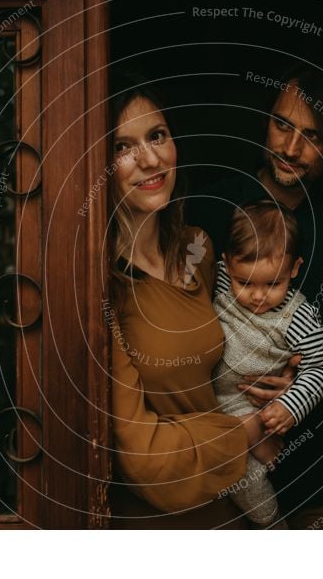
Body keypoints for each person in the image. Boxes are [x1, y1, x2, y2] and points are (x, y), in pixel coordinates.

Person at [187, 63, 323, 528]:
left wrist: (299, 387)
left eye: (313, 136)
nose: (290, 147)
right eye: (281, 124)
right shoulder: (213, 207)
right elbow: (178, 327)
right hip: (222, 464)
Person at [105, 76, 283, 529]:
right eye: (123, 146)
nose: (150, 158)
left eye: (157, 136)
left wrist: (280, 380)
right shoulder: (103, 288)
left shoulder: (196, 249)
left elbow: (227, 352)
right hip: (156, 524)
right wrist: (250, 429)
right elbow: (143, 459)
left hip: (231, 505)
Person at [211, 200, 323, 527]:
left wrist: (290, 407)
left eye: (273, 284)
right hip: (205, 402)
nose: (258, 296)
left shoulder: (298, 317)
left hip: (245, 408)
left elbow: (321, 367)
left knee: (245, 478)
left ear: (294, 269)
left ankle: (272, 524)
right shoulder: (223, 282)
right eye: (246, 283)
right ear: (227, 266)